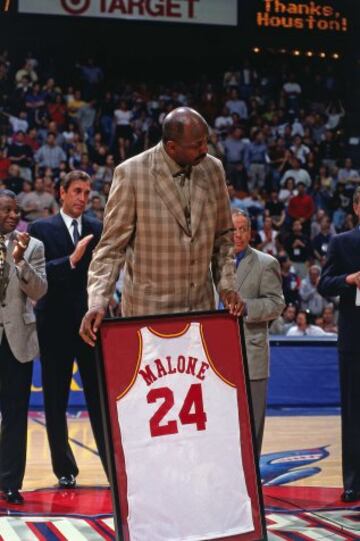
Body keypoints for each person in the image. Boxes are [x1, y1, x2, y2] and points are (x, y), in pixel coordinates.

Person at [80, 107, 244, 345]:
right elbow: (110, 249)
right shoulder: (131, 173)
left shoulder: (213, 168)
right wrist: (97, 301)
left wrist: (227, 287)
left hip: (201, 313)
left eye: (205, 142)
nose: (204, 149)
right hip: (148, 316)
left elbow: (224, 237)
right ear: (171, 147)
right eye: (197, 145)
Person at [28, 170, 108, 488]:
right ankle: (64, 469)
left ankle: (112, 467)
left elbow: (105, 271)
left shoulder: (97, 228)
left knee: (99, 401)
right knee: (56, 401)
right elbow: (35, 276)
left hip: (91, 327)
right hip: (54, 328)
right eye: (76, 191)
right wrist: (71, 260)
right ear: (61, 193)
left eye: (87, 192)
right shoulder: (40, 228)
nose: (82, 198)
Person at [0, 189, 47, 504]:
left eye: (16, 211)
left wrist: (19, 262)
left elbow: (40, 289)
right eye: (7, 210)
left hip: (18, 340)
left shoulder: (33, 246)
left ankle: (9, 483)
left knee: (16, 414)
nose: (14, 215)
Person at [318, 186, 360, 502]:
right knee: (353, 412)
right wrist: (348, 280)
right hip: (354, 339)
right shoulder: (342, 242)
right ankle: (353, 482)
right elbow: (323, 284)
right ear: (356, 208)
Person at [232, 209, 285, 454]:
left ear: (251, 233)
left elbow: (276, 304)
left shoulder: (266, 263)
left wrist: (246, 307)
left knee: (251, 426)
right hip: (213, 355)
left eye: (243, 229)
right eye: (234, 229)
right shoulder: (209, 263)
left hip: (251, 355)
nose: (238, 234)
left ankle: (251, 484)